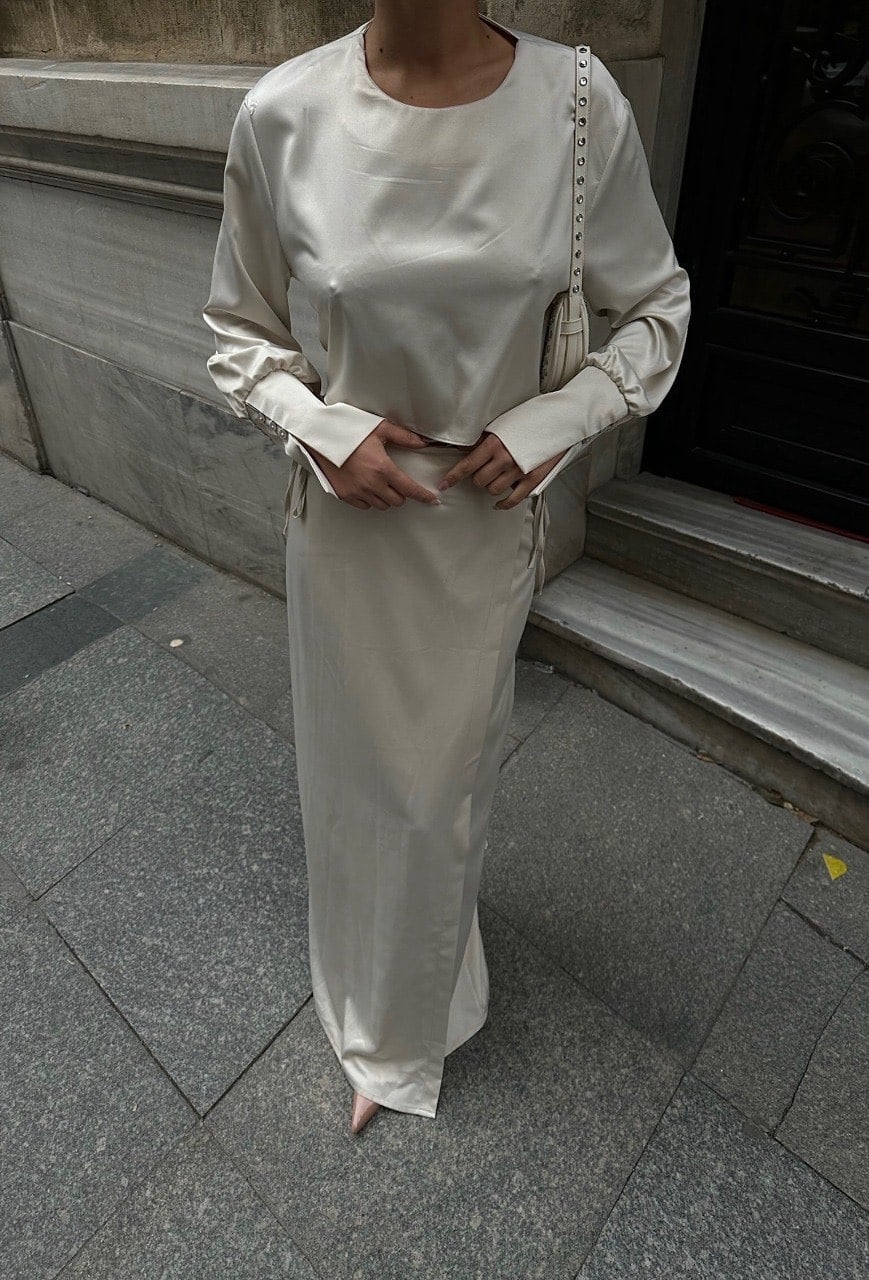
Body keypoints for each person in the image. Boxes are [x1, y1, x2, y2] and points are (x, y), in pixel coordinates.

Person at [202, 0, 691, 1136]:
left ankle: (398, 1024)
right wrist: (321, 429)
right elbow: (238, 330)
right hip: (345, 520)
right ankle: (374, 991)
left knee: (438, 791)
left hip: (482, 513)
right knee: (348, 777)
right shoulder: (284, 113)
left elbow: (654, 309)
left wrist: (554, 422)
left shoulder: (576, 104)